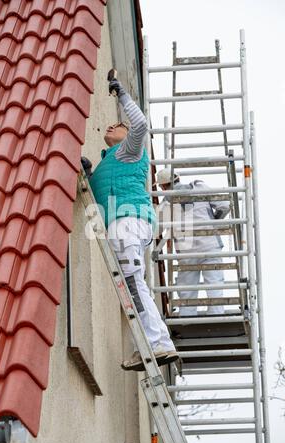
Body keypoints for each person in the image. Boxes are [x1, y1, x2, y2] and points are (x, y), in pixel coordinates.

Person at [89, 79, 178, 371]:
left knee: (132, 279)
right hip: (121, 222)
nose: (110, 127)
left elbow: (140, 125)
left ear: (127, 135)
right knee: (130, 282)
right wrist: (88, 176)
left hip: (129, 220)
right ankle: (150, 343)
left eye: (117, 124)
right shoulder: (108, 162)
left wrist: (123, 95)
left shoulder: (130, 150)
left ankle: (158, 342)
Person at [156, 168, 230, 316]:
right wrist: (213, 222)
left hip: (187, 250)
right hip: (210, 245)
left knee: (187, 289)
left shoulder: (166, 204)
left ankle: (187, 319)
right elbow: (225, 206)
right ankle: (217, 317)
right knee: (215, 285)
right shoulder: (199, 188)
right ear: (178, 178)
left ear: (163, 186)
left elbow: (156, 229)